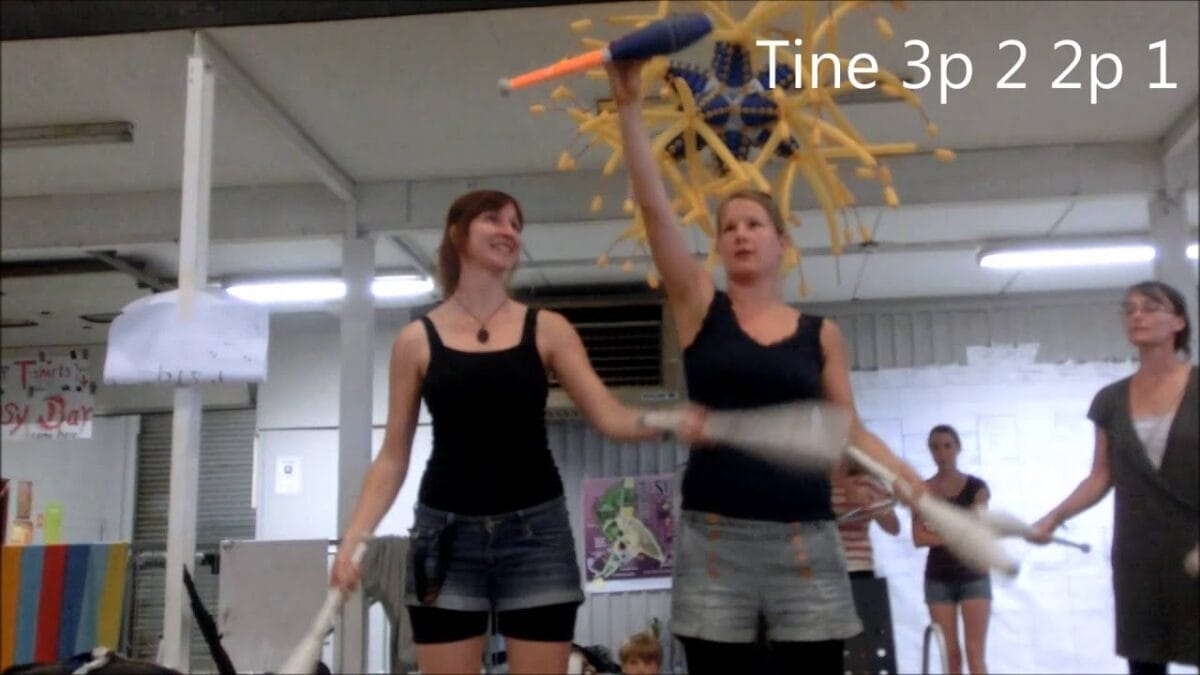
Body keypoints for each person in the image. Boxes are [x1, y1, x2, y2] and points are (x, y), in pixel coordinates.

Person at [605, 59, 927, 675]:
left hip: (806, 538)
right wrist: (628, 110)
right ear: (719, 247)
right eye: (729, 228)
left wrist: (906, 477)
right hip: (715, 538)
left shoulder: (820, 334)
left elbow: (848, 430)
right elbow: (656, 214)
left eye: (755, 224)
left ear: (784, 243)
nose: (741, 235)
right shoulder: (701, 307)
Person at [329, 189, 697, 675]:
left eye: (516, 224)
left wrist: (671, 420)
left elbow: (610, 416)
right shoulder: (416, 340)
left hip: (536, 534)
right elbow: (393, 455)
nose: (509, 230)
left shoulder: (549, 329)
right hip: (444, 538)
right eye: (493, 219)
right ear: (458, 234)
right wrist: (356, 535)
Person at [1030, 280, 1198, 675]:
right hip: (1139, 552)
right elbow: (1101, 476)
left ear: (1178, 321)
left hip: (1195, 542)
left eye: (1150, 307)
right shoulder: (1110, 399)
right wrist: (1054, 517)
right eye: (1129, 308)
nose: (1137, 315)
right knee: (1145, 660)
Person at [913, 424, 990, 675]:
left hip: (973, 574)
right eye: (935, 447)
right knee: (950, 657)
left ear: (958, 448)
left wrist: (939, 530)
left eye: (947, 446)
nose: (942, 452)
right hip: (938, 577)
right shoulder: (921, 490)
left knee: (975, 654)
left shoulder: (976, 487)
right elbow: (919, 537)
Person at [832, 468, 901, 578]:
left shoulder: (867, 482)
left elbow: (893, 527)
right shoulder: (812, 482)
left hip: (857, 565)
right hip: (815, 565)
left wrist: (869, 506)